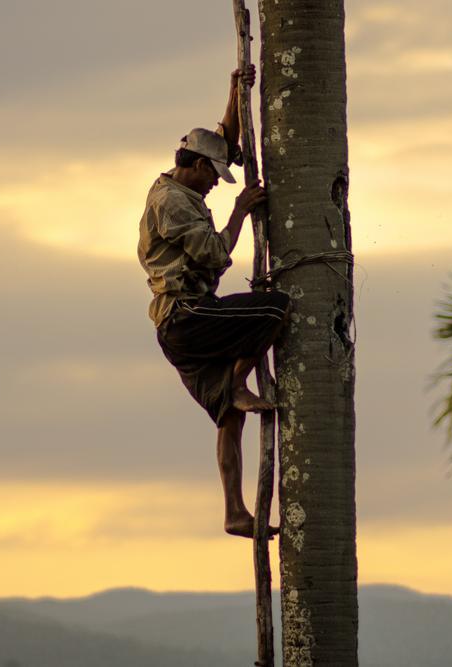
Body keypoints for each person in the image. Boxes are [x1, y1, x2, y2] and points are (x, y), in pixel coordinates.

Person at [137, 65, 290, 539]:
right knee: (275, 307)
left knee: (228, 417)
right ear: (197, 166)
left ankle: (234, 512)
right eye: (214, 177)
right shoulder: (173, 202)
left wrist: (235, 87)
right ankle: (238, 380)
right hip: (186, 315)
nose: (216, 185)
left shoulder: (186, 181)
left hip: (180, 324)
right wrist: (241, 210)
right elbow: (216, 254)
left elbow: (226, 132)